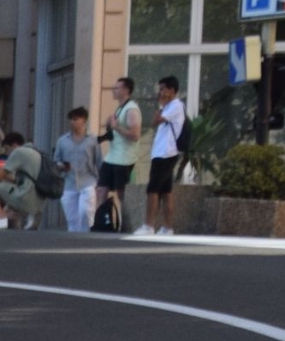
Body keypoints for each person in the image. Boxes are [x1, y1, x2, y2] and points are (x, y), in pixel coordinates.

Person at [142, 75, 187, 236]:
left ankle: (148, 225)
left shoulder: (175, 105)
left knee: (152, 189)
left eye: (162, 89)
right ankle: (167, 227)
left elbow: (156, 121)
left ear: (172, 90)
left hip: (166, 153)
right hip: (162, 152)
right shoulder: (169, 106)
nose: (160, 92)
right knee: (167, 191)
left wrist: (160, 106)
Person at [97, 76, 141, 234]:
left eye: (117, 88)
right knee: (101, 189)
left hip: (124, 158)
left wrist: (117, 128)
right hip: (112, 156)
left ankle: (123, 224)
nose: (114, 91)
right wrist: (110, 125)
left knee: (120, 193)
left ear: (126, 90)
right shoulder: (119, 108)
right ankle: (101, 220)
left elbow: (135, 135)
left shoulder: (132, 109)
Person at [0, 131, 43, 229]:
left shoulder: (18, 152)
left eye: (7, 149)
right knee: (8, 197)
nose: (7, 153)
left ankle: (1, 219)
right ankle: (14, 215)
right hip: (37, 198)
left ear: (14, 145)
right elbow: (15, 179)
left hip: (25, 196)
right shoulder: (34, 151)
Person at [53, 107, 99, 233]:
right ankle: (74, 244)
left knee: (85, 212)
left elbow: (98, 160)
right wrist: (61, 166)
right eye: (71, 120)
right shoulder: (62, 141)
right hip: (69, 182)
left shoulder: (92, 140)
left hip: (88, 181)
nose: (72, 122)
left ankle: (86, 238)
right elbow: (56, 160)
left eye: (75, 119)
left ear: (84, 120)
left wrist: (100, 183)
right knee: (72, 220)